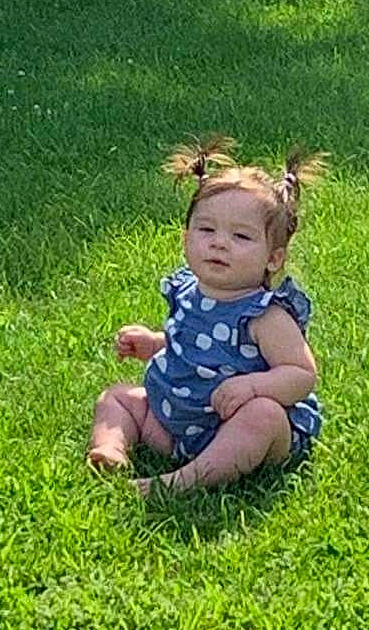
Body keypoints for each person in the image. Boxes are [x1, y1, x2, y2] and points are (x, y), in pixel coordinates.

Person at [86, 136, 324, 495]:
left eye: (241, 236)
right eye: (206, 230)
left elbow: (302, 374)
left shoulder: (265, 315)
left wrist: (253, 387)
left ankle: (182, 482)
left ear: (273, 259)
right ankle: (110, 450)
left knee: (264, 415)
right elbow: (192, 343)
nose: (219, 243)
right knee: (117, 397)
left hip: (240, 428)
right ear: (186, 240)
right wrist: (155, 344)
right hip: (179, 419)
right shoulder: (187, 292)